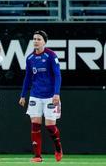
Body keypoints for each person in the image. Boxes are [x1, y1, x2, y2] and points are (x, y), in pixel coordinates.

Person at [19, 30, 63, 162]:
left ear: (44, 41)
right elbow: (27, 77)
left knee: (50, 126)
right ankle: (37, 156)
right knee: (35, 125)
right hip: (35, 95)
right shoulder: (30, 58)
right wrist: (23, 95)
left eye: (38, 39)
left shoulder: (51, 56)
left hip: (50, 96)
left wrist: (56, 93)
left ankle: (58, 147)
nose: (35, 41)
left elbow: (57, 75)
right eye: (34, 39)